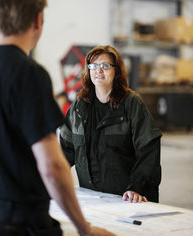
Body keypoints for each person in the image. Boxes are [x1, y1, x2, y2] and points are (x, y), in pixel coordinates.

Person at [0, 0, 116, 236]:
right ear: (38, 20)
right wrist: (85, 229)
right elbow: (51, 165)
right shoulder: (28, 74)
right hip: (19, 223)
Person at [59, 45, 162, 203]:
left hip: (129, 199)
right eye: (93, 66)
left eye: (105, 66)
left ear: (117, 71)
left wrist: (136, 187)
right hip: (94, 198)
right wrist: (50, 176)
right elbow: (66, 150)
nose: (98, 71)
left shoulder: (131, 104)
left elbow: (148, 151)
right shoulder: (79, 106)